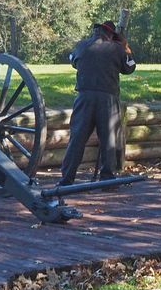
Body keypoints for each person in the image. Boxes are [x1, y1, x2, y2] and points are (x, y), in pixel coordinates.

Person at [58, 20, 136, 186]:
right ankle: (107, 178)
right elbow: (130, 67)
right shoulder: (117, 49)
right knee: (108, 139)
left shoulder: (81, 46)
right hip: (107, 98)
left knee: (77, 138)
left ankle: (67, 178)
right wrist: (125, 47)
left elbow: (73, 60)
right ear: (111, 35)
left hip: (84, 97)